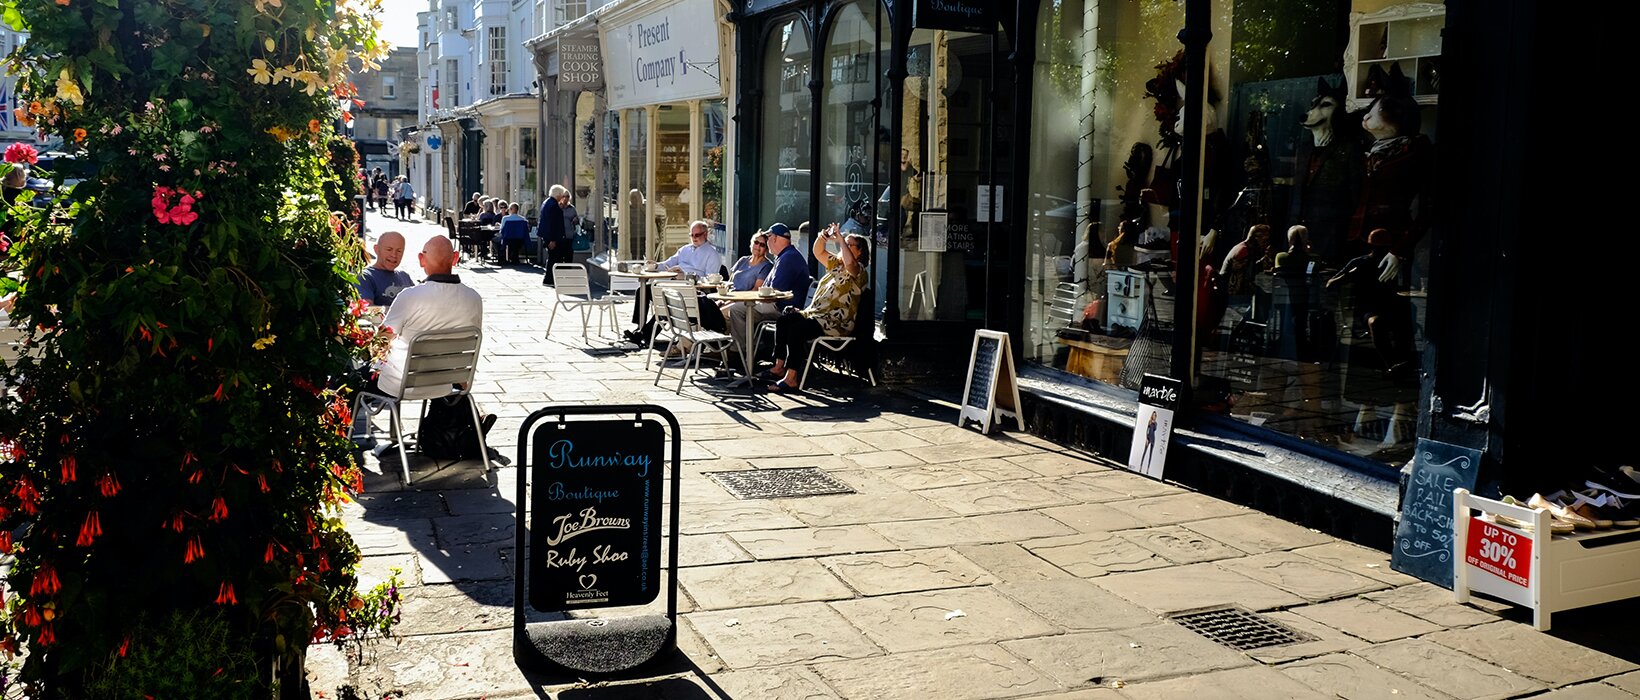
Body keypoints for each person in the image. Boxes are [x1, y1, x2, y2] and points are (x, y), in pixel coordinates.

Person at [370, 235, 484, 400]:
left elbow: (382, 340)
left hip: (402, 384)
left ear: (421, 259)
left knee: (355, 379)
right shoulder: (474, 298)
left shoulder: (410, 296)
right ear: (455, 258)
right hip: (445, 383)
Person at [765, 223, 868, 392]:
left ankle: (791, 377)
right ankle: (779, 367)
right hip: (817, 315)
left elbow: (851, 265)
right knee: (784, 321)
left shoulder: (859, 271)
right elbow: (818, 251)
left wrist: (841, 239)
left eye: (850, 245)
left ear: (860, 251)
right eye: (844, 244)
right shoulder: (837, 265)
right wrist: (824, 237)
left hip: (835, 322)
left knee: (797, 329)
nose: (844, 247)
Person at [726, 222, 811, 356]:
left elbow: (774, 290)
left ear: (775, 238)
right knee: (736, 308)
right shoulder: (784, 256)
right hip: (778, 305)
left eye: (768, 238)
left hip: (783, 309)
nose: (767, 242)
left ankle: (743, 353)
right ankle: (746, 350)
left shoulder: (788, 258)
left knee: (736, 310)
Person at [357, 231, 415, 307]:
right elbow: (367, 310)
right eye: (389, 249)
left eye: (399, 251)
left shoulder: (405, 277)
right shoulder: (365, 277)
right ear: (376, 249)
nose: (394, 255)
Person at [657, 221, 722, 278]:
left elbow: (710, 280)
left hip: (695, 288)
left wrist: (686, 277)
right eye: (691, 235)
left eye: (697, 235)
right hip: (674, 283)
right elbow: (668, 264)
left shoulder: (712, 254)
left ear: (705, 234)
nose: (694, 238)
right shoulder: (684, 249)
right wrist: (655, 266)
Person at [537, 185, 572, 283]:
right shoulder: (553, 205)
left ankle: (550, 279)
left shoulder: (547, 202)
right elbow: (552, 223)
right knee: (554, 258)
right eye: (562, 195)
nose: (562, 197)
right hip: (553, 237)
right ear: (558, 195)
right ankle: (549, 279)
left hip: (549, 236)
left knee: (553, 257)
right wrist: (552, 239)